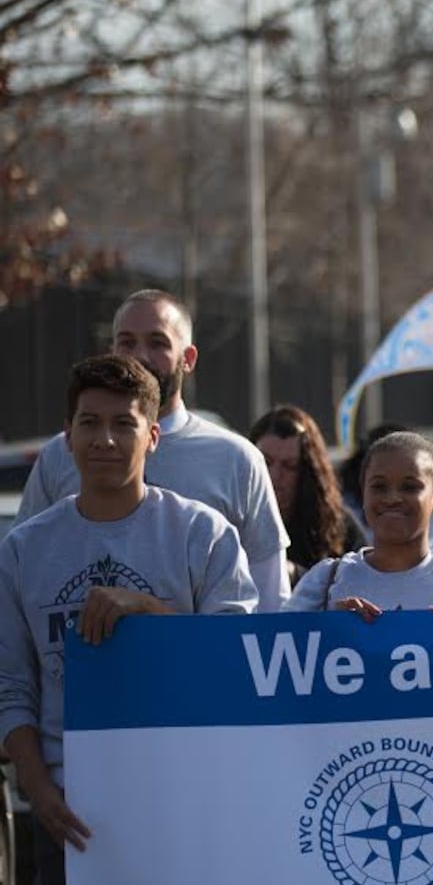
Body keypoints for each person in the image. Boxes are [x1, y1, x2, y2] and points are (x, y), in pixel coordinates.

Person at [0, 355, 257, 884]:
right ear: (66, 436)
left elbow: (236, 664)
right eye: (90, 423)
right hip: (69, 816)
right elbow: (11, 685)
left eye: (124, 423)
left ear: (154, 436)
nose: (105, 440)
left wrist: (150, 611)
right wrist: (39, 788)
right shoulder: (24, 550)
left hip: (186, 800)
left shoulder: (202, 534)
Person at [17, 290, 291, 611]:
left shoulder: (237, 460)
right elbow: (24, 577)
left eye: (157, 343)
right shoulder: (60, 455)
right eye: (127, 342)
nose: (140, 357)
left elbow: (269, 603)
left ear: (188, 359)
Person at [285, 432, 433, 617]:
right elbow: (276, 657)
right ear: (363, 494)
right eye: (379, 487)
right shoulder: (323, 584)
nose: (392, 498)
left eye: (410, 487)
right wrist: (331, 629)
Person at [249, 405, 366, 585]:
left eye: (290, 466)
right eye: (265, 462)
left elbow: (361, 584)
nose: (274, 476)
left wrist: (295, 575)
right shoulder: (231, 519)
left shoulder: (339, 525)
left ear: (310, 472)